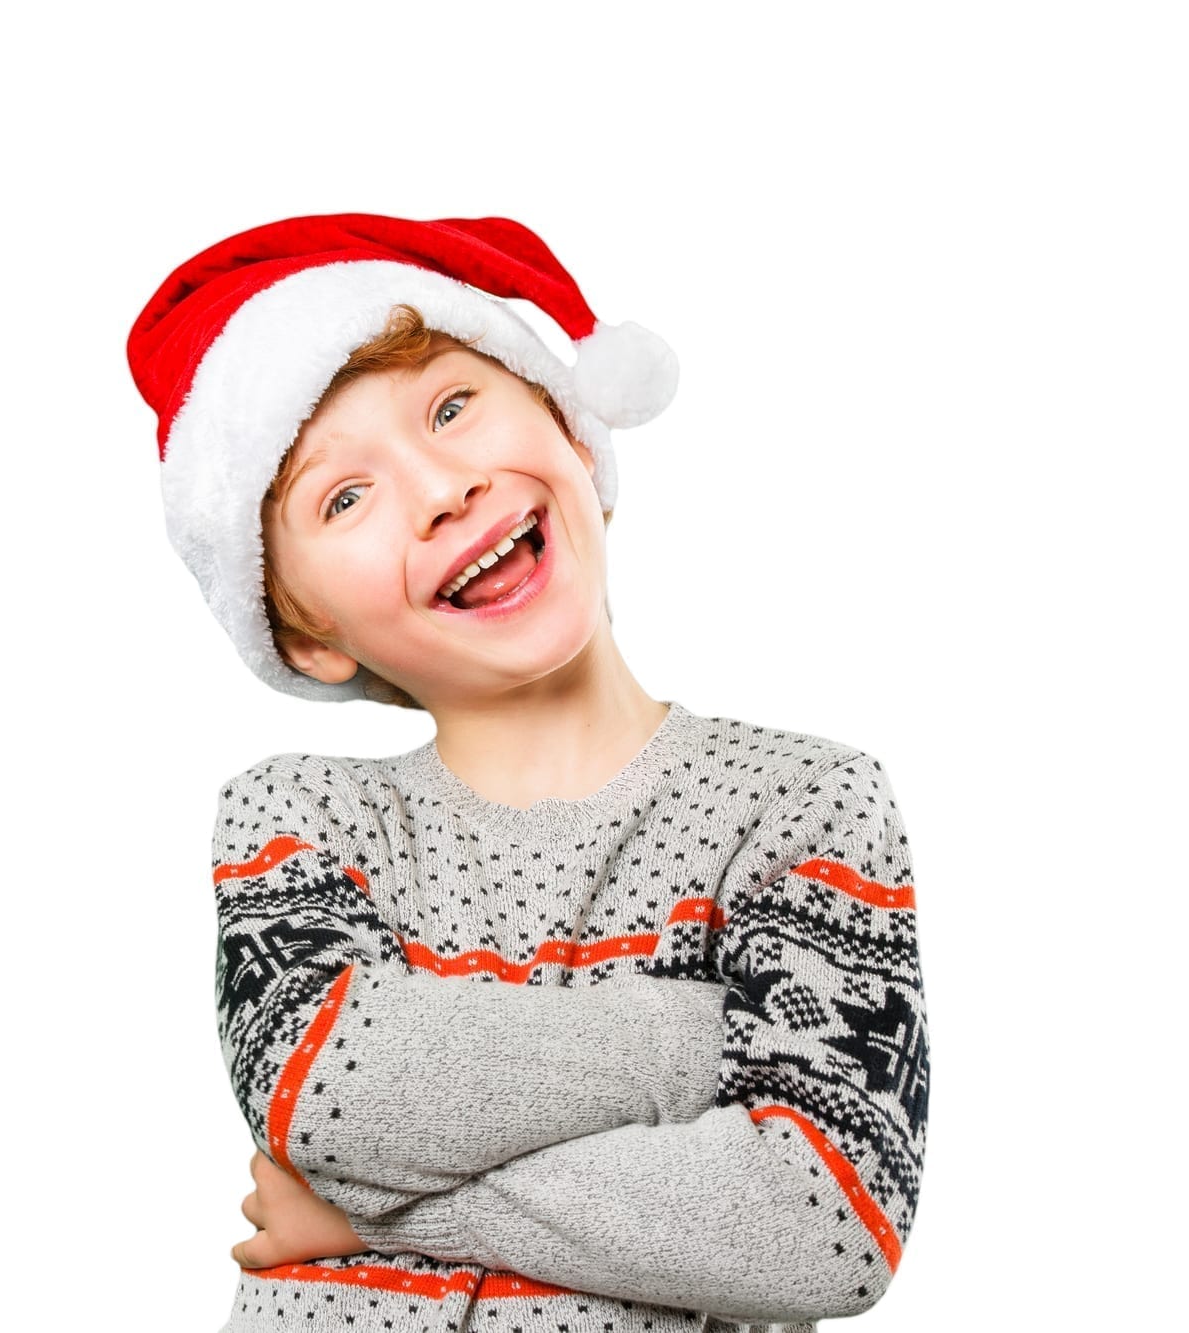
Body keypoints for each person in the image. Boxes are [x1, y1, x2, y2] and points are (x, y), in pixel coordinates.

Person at [124, 215, 931, 1333]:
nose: (443, 488)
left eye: (452, 407)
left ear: (572, 423)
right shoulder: (298, 814)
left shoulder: (798, 801)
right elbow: (327, 1093)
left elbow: (819, 1228)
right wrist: (711, 1035)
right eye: (342, 497)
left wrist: (370, 1216)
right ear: (301, 630)